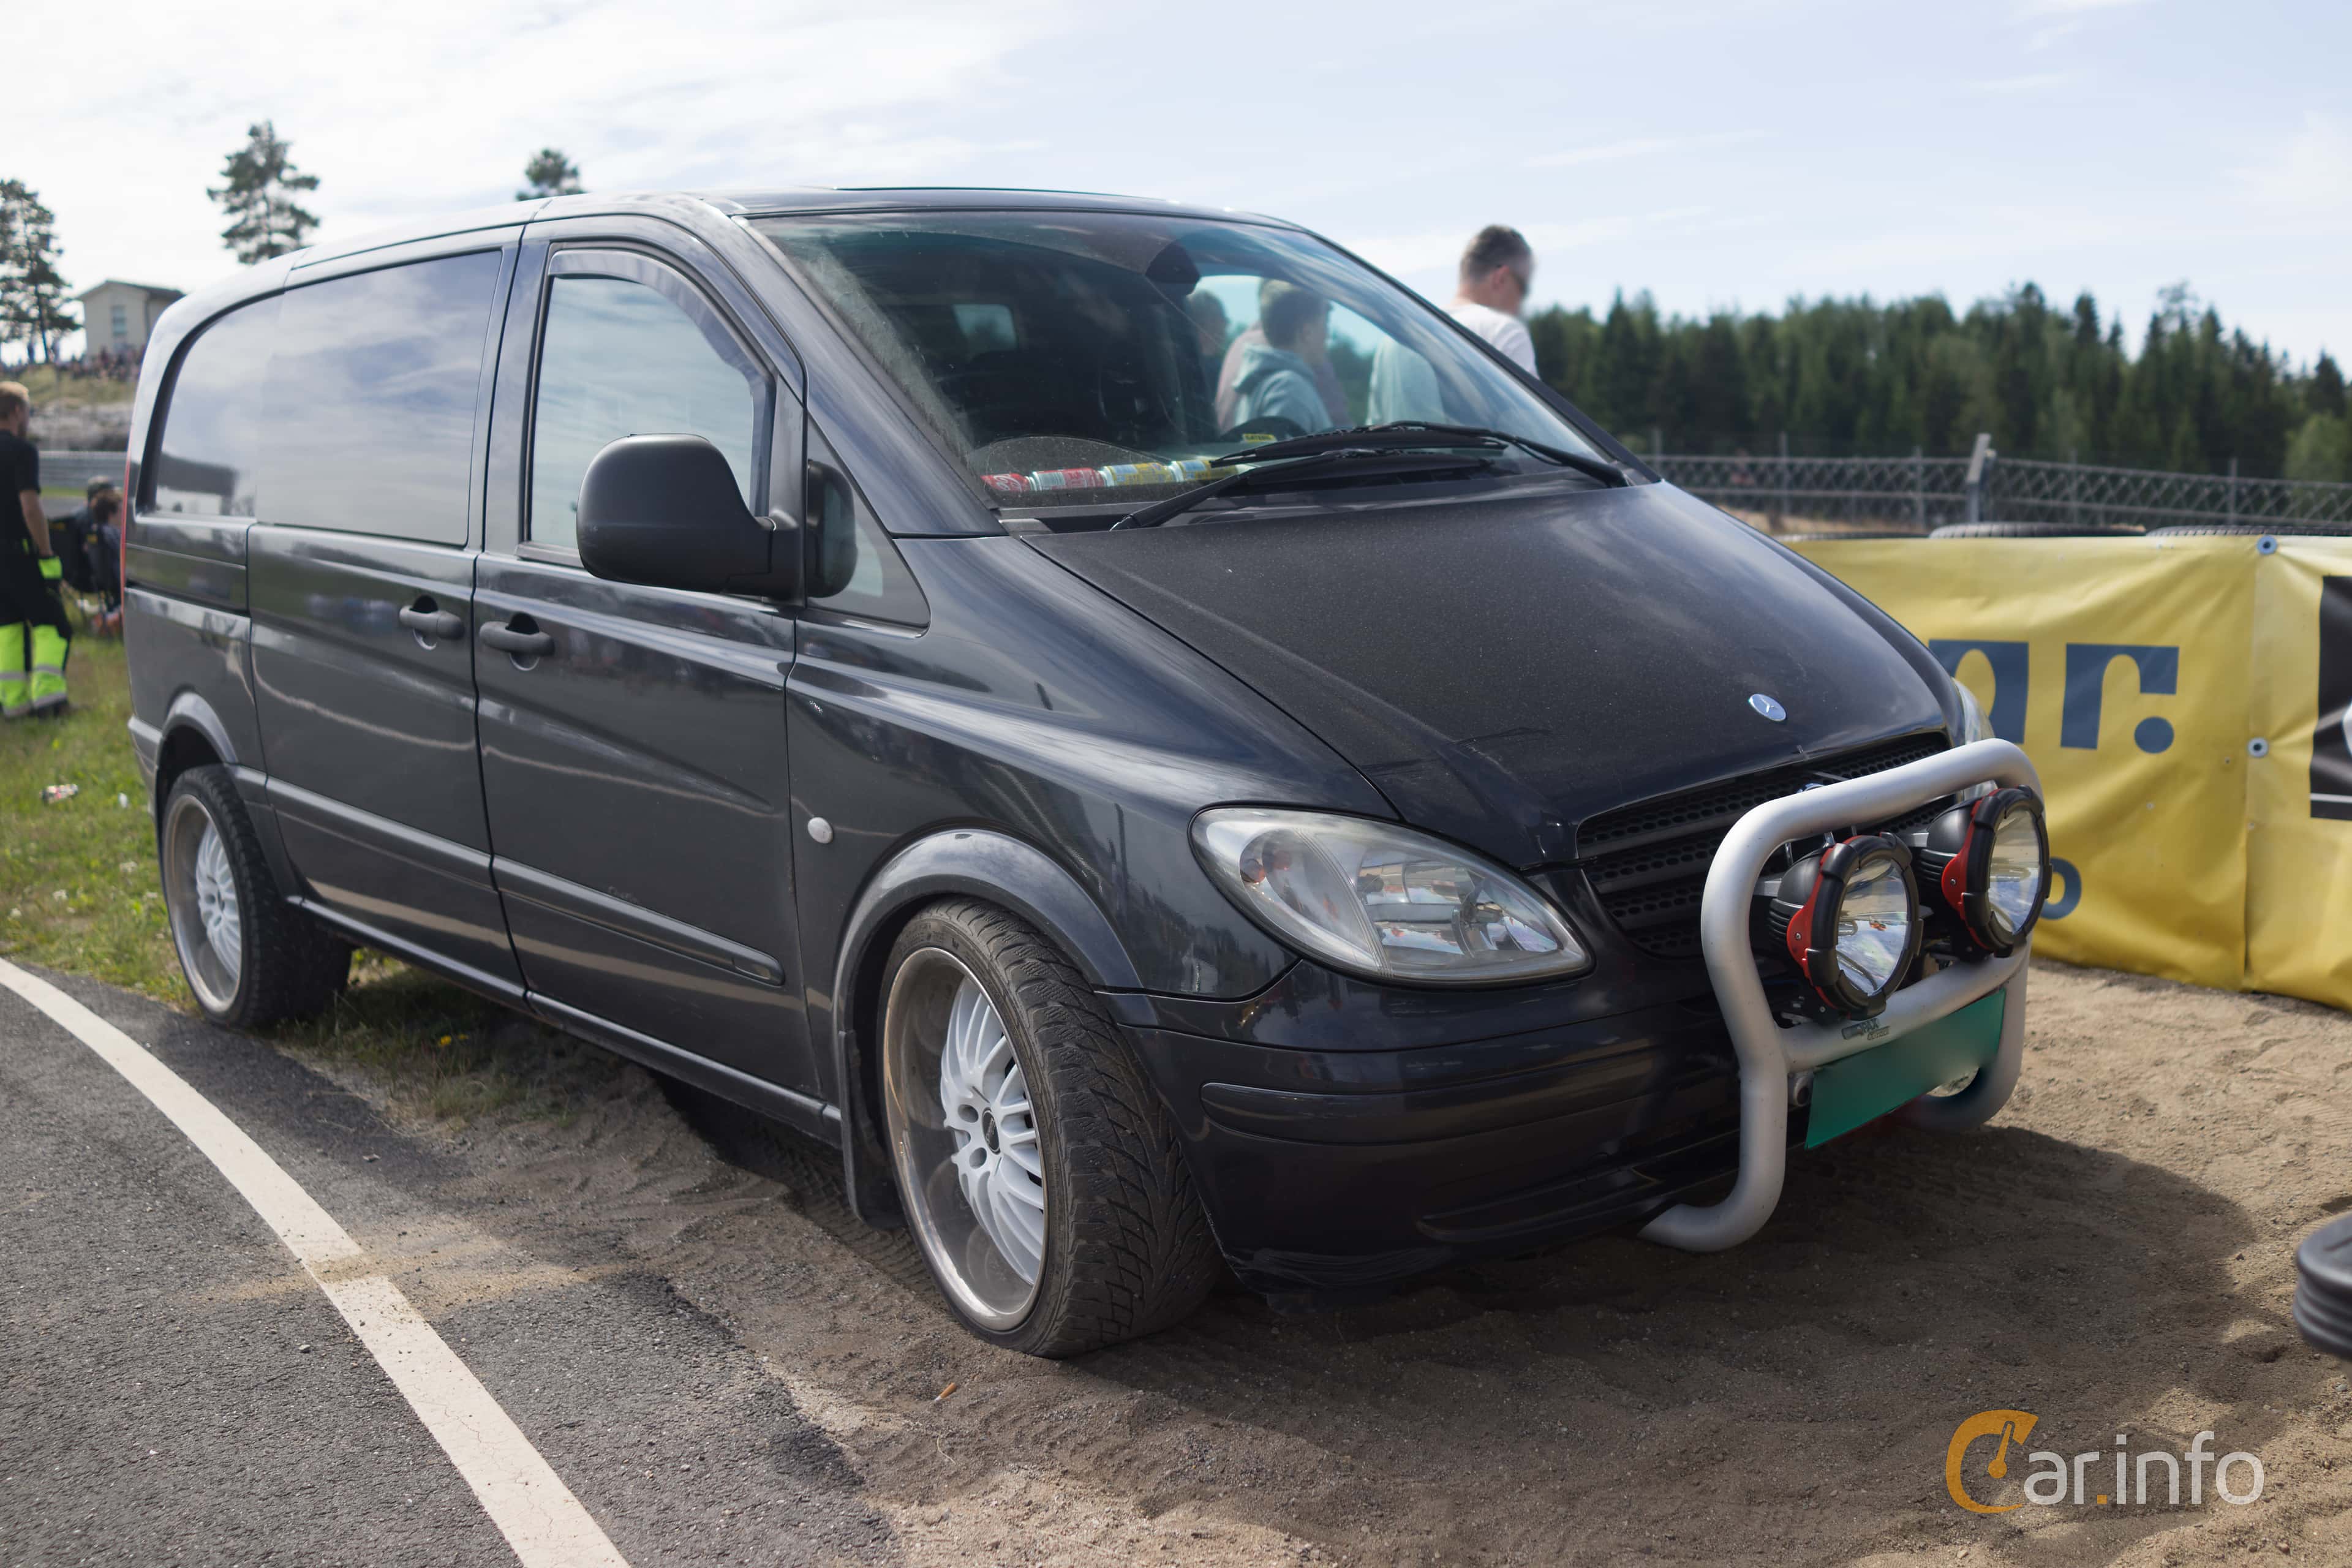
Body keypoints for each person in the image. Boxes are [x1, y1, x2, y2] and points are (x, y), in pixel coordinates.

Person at [0, 382, 70, 717]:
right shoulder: (22, 451)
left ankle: (12, 703)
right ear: (16, 411)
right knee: (52, 624)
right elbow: (31, 508)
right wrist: (46, 554)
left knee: (8, 629)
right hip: (22, 554)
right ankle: (49, 699)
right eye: (27, 410)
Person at [1215, 278, 1349, 431]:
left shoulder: (1266, 380)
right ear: (1307, 332)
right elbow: (1282, 453)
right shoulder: (1288, 389)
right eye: (1325, 324)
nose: (1327, 335)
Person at [1449, 224, 1538, 375]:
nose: (1520, 305)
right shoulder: (1503, 332)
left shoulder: (1415, 328)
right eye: (1523, 289)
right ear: (1501, 278)